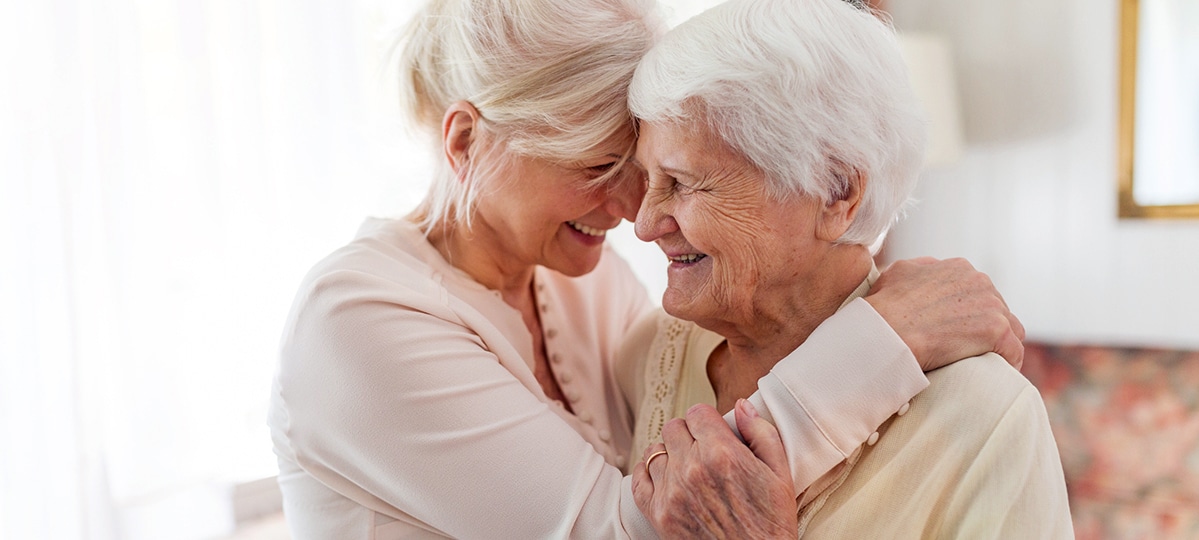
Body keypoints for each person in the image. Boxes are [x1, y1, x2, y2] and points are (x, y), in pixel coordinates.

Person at [267, 0, 1028, 537]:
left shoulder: (583, 282)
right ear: (465, 143)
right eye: (599, 165)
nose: (633, 211)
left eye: (651, 168)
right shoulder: (359, 320)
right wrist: (881, 339)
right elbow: (626, 524)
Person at [620, 0, 1074, 537]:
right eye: (646, 177)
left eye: (684, 181)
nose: (645, 224)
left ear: (836, 192)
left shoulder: (988, 417)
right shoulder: (650, 353)